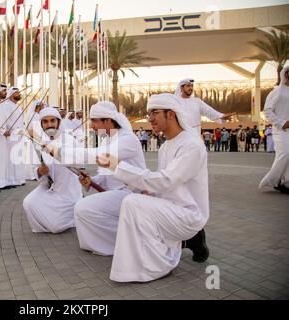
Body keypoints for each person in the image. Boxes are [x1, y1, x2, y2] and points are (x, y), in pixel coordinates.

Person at [97, 93, 210, 283]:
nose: (149, 119)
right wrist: (149, 191)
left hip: (188, 214)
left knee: (133, 202)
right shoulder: (166, 146)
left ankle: (158, 264)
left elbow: (166, 181)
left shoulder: (191, 145)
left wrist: (118, 167)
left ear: (171, 114)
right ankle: (183, 243)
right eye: (148, 114)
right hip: (171, 207)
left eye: (154, 113)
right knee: (136, 201)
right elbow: (165, 184)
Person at [71, 101, 146, 256]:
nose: (91, 125)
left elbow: (98, 155)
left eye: (94, 121)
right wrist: (92, 181)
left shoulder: (127, 139)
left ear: (108, 121)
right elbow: (107, 176)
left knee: (83, 207)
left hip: (131, 194)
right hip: (116, 193)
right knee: (83, 208)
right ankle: (120, 242)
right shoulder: (108, 140)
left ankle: (136, 243)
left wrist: (60, 152)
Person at [23, 108, 83, 233]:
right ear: (41, 124)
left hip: (68, 190)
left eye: (52, 121)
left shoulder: (70, 140)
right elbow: (36, 169)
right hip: (49, 186)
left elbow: (79, 161)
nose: (49, 124)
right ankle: (44, 224)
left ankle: (72, 217)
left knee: (56, 227)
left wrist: (53, 151)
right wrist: (40, 171)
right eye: (45, 121)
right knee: (29, 202)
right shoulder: (38, 143)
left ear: (58, 122)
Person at [259, 66, 289, 194]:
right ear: (285, 75)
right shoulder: (276, 92)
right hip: (280, 130)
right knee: (285, 154)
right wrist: (282, 123)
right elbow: (267, 111)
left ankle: (285, 183)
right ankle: (272, 180)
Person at [5, 87, 26, 187]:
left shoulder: (18, 106)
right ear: (11, 94)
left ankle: (19, 179)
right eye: (16, 93)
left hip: (20, 134)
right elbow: (7, 120)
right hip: (12, 134)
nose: (18, 94)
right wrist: (14, 129)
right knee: (12, 157)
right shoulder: (7, 105)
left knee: (18, 156)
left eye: (18, 92)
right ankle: (11, 180)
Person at [24, 100, 45, 180]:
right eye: (42, 106)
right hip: (34, 139)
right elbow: (30, 129)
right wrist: (35, 139)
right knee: (33, 157)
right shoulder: (32, 115)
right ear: (38, 106)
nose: (43, 107)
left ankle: (38, 173)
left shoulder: (39, 115)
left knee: (39, 158)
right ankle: (32, 174)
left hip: (40, 139)